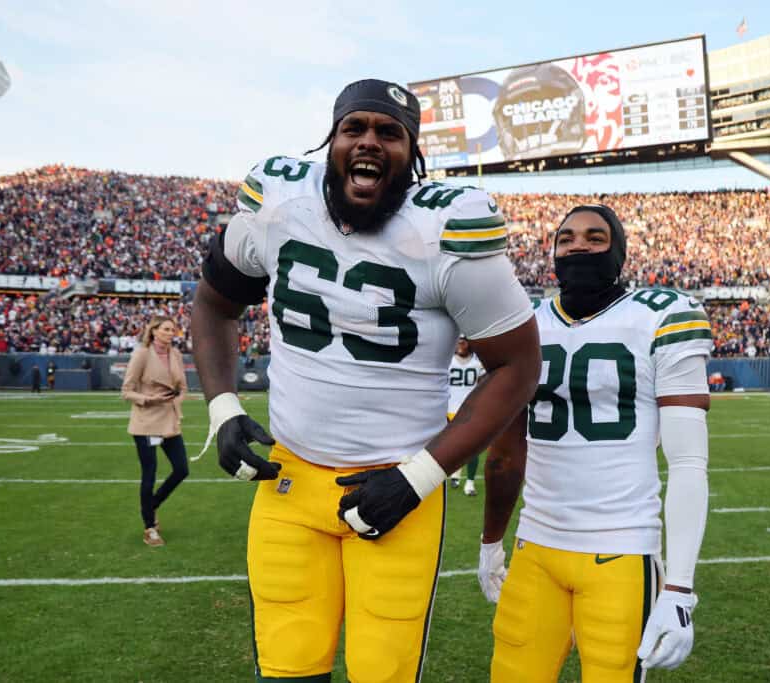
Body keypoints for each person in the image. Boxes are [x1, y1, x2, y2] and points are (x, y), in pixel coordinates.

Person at [190, 78, 540, 682]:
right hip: (290, 483)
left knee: (383, 673)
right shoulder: (278, 201)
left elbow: (518, 366)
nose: (369, 143)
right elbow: (214, 302)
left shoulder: (448, 228)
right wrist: (222, 407)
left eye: (389, 133)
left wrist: (419, 478)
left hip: (398, 487)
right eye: (355, 128)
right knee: (287, 670)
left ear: (415, 154)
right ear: (331, 140)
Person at [479, 205, 712, 682]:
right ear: (552, 252)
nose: (578, 246)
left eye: (594, 237)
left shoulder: (663, 316)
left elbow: (688, 462)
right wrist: (490, 544)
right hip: (536, 548)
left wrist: (680, 590)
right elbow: (505, 453)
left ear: (619, 251)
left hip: (621, 550)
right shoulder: (526, 322)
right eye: (565, 238)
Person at [122, 316, 189, 546]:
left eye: (173, 329)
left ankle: (151, 505)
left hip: (169, 421)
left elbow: (183, 388)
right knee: (149, 473)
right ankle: (150, 527)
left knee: (181, 469)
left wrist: (177, 400)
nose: (171, 333)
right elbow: (127, 391)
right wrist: (149, 399)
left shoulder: (176, 355)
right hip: (146, 422)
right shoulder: (142, 354)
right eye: (166, 329)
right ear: (154, 331)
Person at [448, 336, 485, 495]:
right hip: (448, 410)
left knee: (472, 448)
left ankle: (469, 483)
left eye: (463, 341)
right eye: (458, 341)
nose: (460, 344)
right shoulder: (448, 360)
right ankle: (455, 473)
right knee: (452, 448)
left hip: (469, 410)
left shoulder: (478, 362)